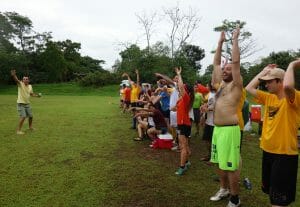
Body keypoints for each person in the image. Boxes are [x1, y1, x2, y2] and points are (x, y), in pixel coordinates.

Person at [245, 59, 300, 207]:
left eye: (269, 82)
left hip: (284, 156)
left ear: (279, 81)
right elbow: (249, 88)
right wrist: (264, 71)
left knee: (279, 200)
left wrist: (291, 65)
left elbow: (288, 86)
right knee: (272, 194)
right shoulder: (269, 97)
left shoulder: (293, 98)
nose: (266, 84)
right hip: (268, 151)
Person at [209, 28, 243, 207]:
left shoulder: (236, 85)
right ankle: (223, 189)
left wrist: (235, 39)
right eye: (225, 68)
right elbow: (215, 64)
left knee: (231, 165)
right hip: (218, 130)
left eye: (228, 69)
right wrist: (220, 43)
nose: (224, 70)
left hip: (230, 130)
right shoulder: (221, 84)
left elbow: (236, 62)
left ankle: (235, 198)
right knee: (219, 163)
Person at [174, 67, 194, 176]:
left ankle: (182, 167)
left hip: (183, 124)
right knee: (185, 146)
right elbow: (179, 87)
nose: (181, 89)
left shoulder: (186, 98)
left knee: (183, 147)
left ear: (188, 92)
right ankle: (187, 161)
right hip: (183, 124)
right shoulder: (182, 99)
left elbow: (181, 87)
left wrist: (179, 74)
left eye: (184, 89)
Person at [10, 69, 41, 135]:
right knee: (23, 116)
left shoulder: (30, 86)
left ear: (28, 80)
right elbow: (16, 80)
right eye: (24, 79)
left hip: (27, 104)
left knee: (31, 116)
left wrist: (37, 96)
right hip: (21, 104)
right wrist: (14, 75)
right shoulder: (20, 84)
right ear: (22, 80)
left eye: (27, 79)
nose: (25, 80)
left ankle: (30, 127)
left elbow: (31, 94)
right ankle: (18, 130)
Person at [200, 81, 216, 162]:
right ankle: (209, 155)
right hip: (208, 121)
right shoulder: (209, 94)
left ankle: (214, 157)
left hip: (215, 122)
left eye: (207, 85)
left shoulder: (217, 94)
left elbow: (218, 106)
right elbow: (208, 104)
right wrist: (203, 106)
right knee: (206, 139)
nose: (206, 86)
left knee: (214, 141)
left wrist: (208, 108)